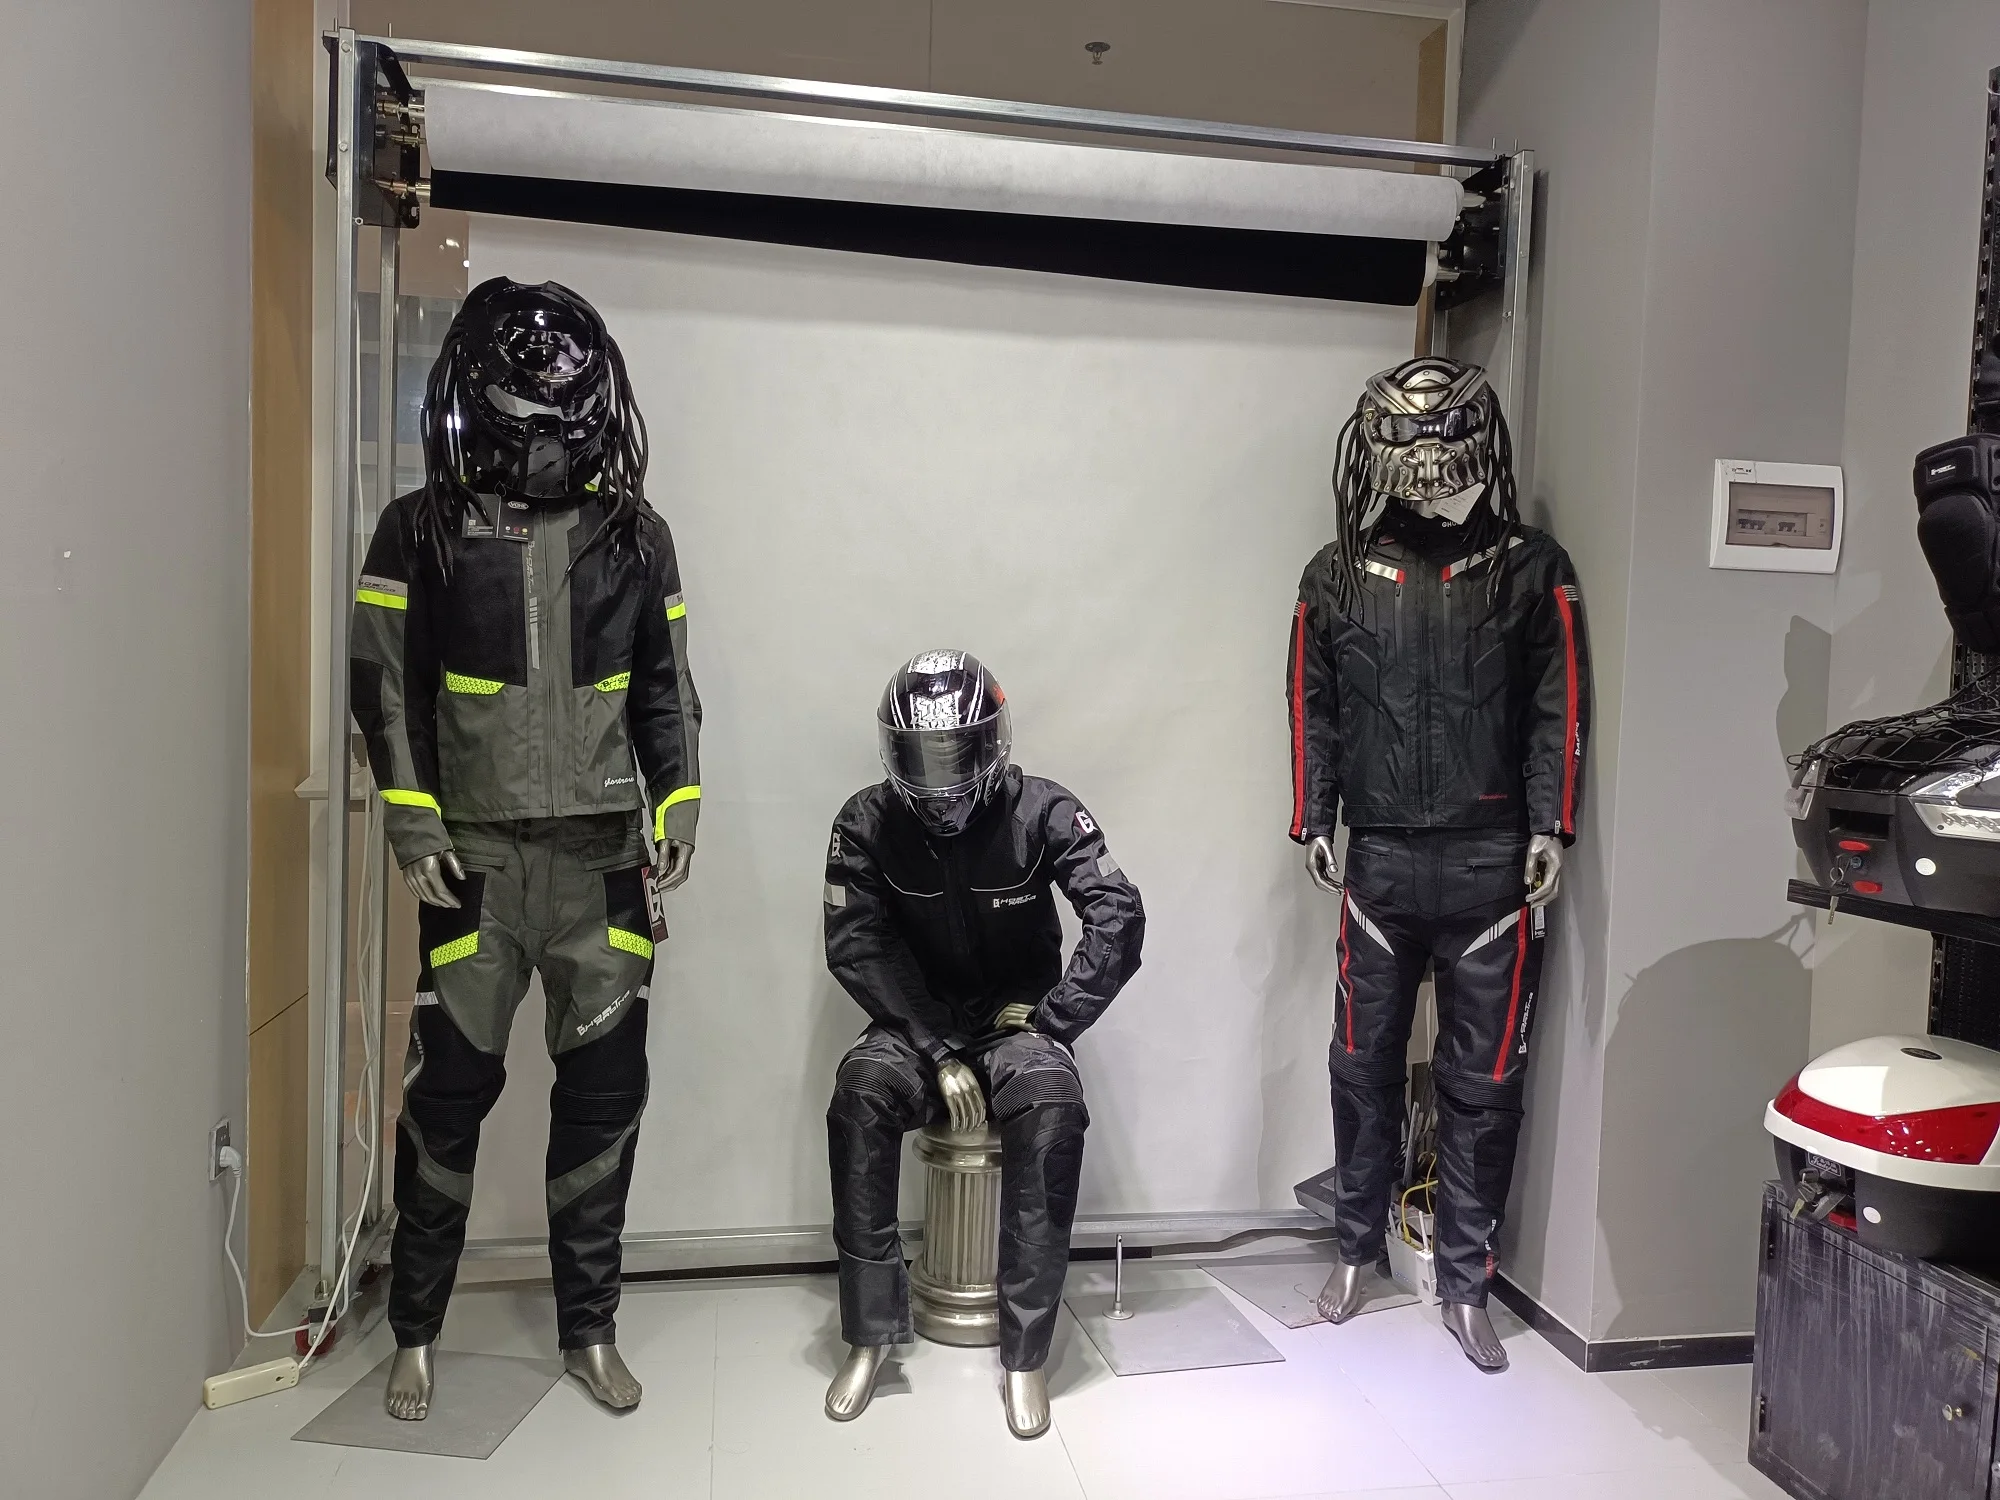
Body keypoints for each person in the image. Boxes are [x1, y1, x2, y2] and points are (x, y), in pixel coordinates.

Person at [350, 278, 701, 1419]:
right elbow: (383, 690)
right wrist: (413, 820)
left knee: (603, 1107)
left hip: (603, 871)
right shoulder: (418, 529)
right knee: (445, 1103)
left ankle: (589, 1332)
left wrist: (679, 802)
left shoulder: (636, 538)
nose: (547, 425)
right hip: (477, 871)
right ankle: (414, 1332)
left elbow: (666, 690)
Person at [1287, 356, 1588, 1372]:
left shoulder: (1530, 568)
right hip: (1374, 866)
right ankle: (1352, 1251)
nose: (1421, 455)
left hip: (1490, 868)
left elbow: (1557, 705)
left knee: (1483, 1085)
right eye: (1401, 435)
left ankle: (1465, 1283)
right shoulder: (1334, 575)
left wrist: (1550, 826)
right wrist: (1314, 815)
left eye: (1439, 432)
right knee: (1359, 1068)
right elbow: (1311, 705)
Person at [819, 651, 1144, 1436]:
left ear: (992, 740)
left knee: (1054, 1107)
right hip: (913, 1026)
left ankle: (1025, 1355)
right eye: (921, 755)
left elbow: (1118, 915)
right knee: (858, 1098)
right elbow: (856, 942)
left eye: (956, 752)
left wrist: (1055, 1020)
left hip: (1014, 1028)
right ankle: (868, 1336)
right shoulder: (865, 822)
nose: (941, 778)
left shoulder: (1044, 810)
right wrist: (933, 1050)